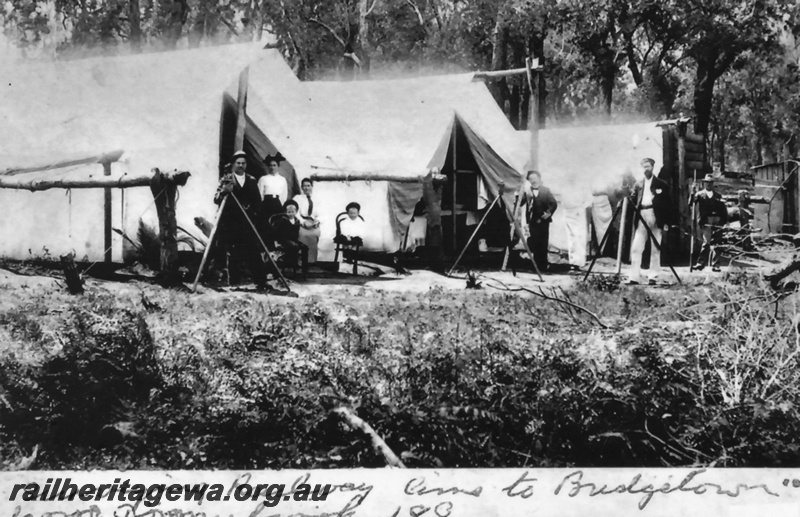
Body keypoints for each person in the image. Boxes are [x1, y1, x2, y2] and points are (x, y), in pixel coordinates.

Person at [213, 150, 270, 289]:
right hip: (231, 222)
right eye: (238, 163)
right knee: (233, 253)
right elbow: (216, 199)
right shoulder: (227, 179)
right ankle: (234, 283)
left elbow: (257, 201)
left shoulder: (251, 180)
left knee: (253, 251)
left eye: (243, 163)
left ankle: (261, 282)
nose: (241, 165)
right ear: (233, 164)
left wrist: (255, 215)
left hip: (247, 221)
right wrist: (224, 191)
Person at [628, 157, 672, 284]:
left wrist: (666, 223)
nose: (646, 169)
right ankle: (634, 277)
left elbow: (668, 205)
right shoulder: (638, 184)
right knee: (636, 247)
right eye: (644, 167)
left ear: (653, 168)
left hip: (656, 216)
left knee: (655, 247)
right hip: (642, 215)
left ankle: (653, 276)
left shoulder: (661, 184)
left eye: (648, 166)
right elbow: (632, 199)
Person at [690, 174, 728, 271]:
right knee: (706, 242)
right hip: (706, 221)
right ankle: (701, 263)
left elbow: (723, 210)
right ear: (704, 183)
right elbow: (691, 203)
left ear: (713, 184)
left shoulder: (718, 196)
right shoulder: (699, 195)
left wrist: (724, 221)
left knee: (717, 243)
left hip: (717, 220)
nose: (708, 185)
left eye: (710, 183)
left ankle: (716, 264)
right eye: (707, 183)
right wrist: (692, 192)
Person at [522, 170, 558, 272]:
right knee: (533, 242)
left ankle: (543, 265)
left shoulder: (545, 190)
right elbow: (520, 203)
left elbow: (553, 203)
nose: (533, 180)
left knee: (543, 243)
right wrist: (519, 195)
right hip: (532, 221)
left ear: (539, 178)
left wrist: (548, 213)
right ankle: (535, 265)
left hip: (543, 222)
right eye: (531, 179)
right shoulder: (527, 191)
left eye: (535, 178)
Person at [272, 199, 309, 277]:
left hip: (294, 239)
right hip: (284, 239)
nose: (291, 214)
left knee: (305, 247)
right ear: (286, 212)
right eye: (289, 212)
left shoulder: (297, 221)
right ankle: (292, 265)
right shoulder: (283, 221)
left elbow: (296, 233)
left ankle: (304, 269)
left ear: (296, 212)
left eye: (293, 212)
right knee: (293, 246)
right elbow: (278, 233)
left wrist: (296, 240)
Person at [293, 178, 321, 264]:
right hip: (302, 222)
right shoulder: (297, 198)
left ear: (312, 186)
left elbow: (322, 211)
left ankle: (311, 261)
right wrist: (303, 222)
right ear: (301, 187)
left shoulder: (317, 198)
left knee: (315, 234)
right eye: (304, 186)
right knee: (303, 235)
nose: (306, 188)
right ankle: (301, 261)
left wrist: (317, 221)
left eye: (308, 185)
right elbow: (295, 212)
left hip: (313, 223)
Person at [258, 153, 289, 221]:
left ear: (278, 166)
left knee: (276, 222)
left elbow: (284, 194)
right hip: (266, 203)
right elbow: (260, 193)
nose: (272, 167)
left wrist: (280, 204)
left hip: (277, 204)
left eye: (274, 165)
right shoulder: (263, 179)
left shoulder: (282, 179)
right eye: (270, 165)